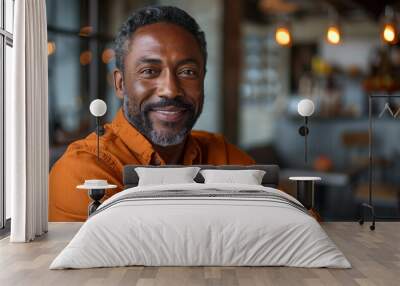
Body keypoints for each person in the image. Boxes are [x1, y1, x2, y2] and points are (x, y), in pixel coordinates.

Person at [49, 5, 255, 222]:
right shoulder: (84, 171)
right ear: (120, 84)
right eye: (149, 71)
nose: (170, 90)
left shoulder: (222, 155)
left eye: (187, 72)